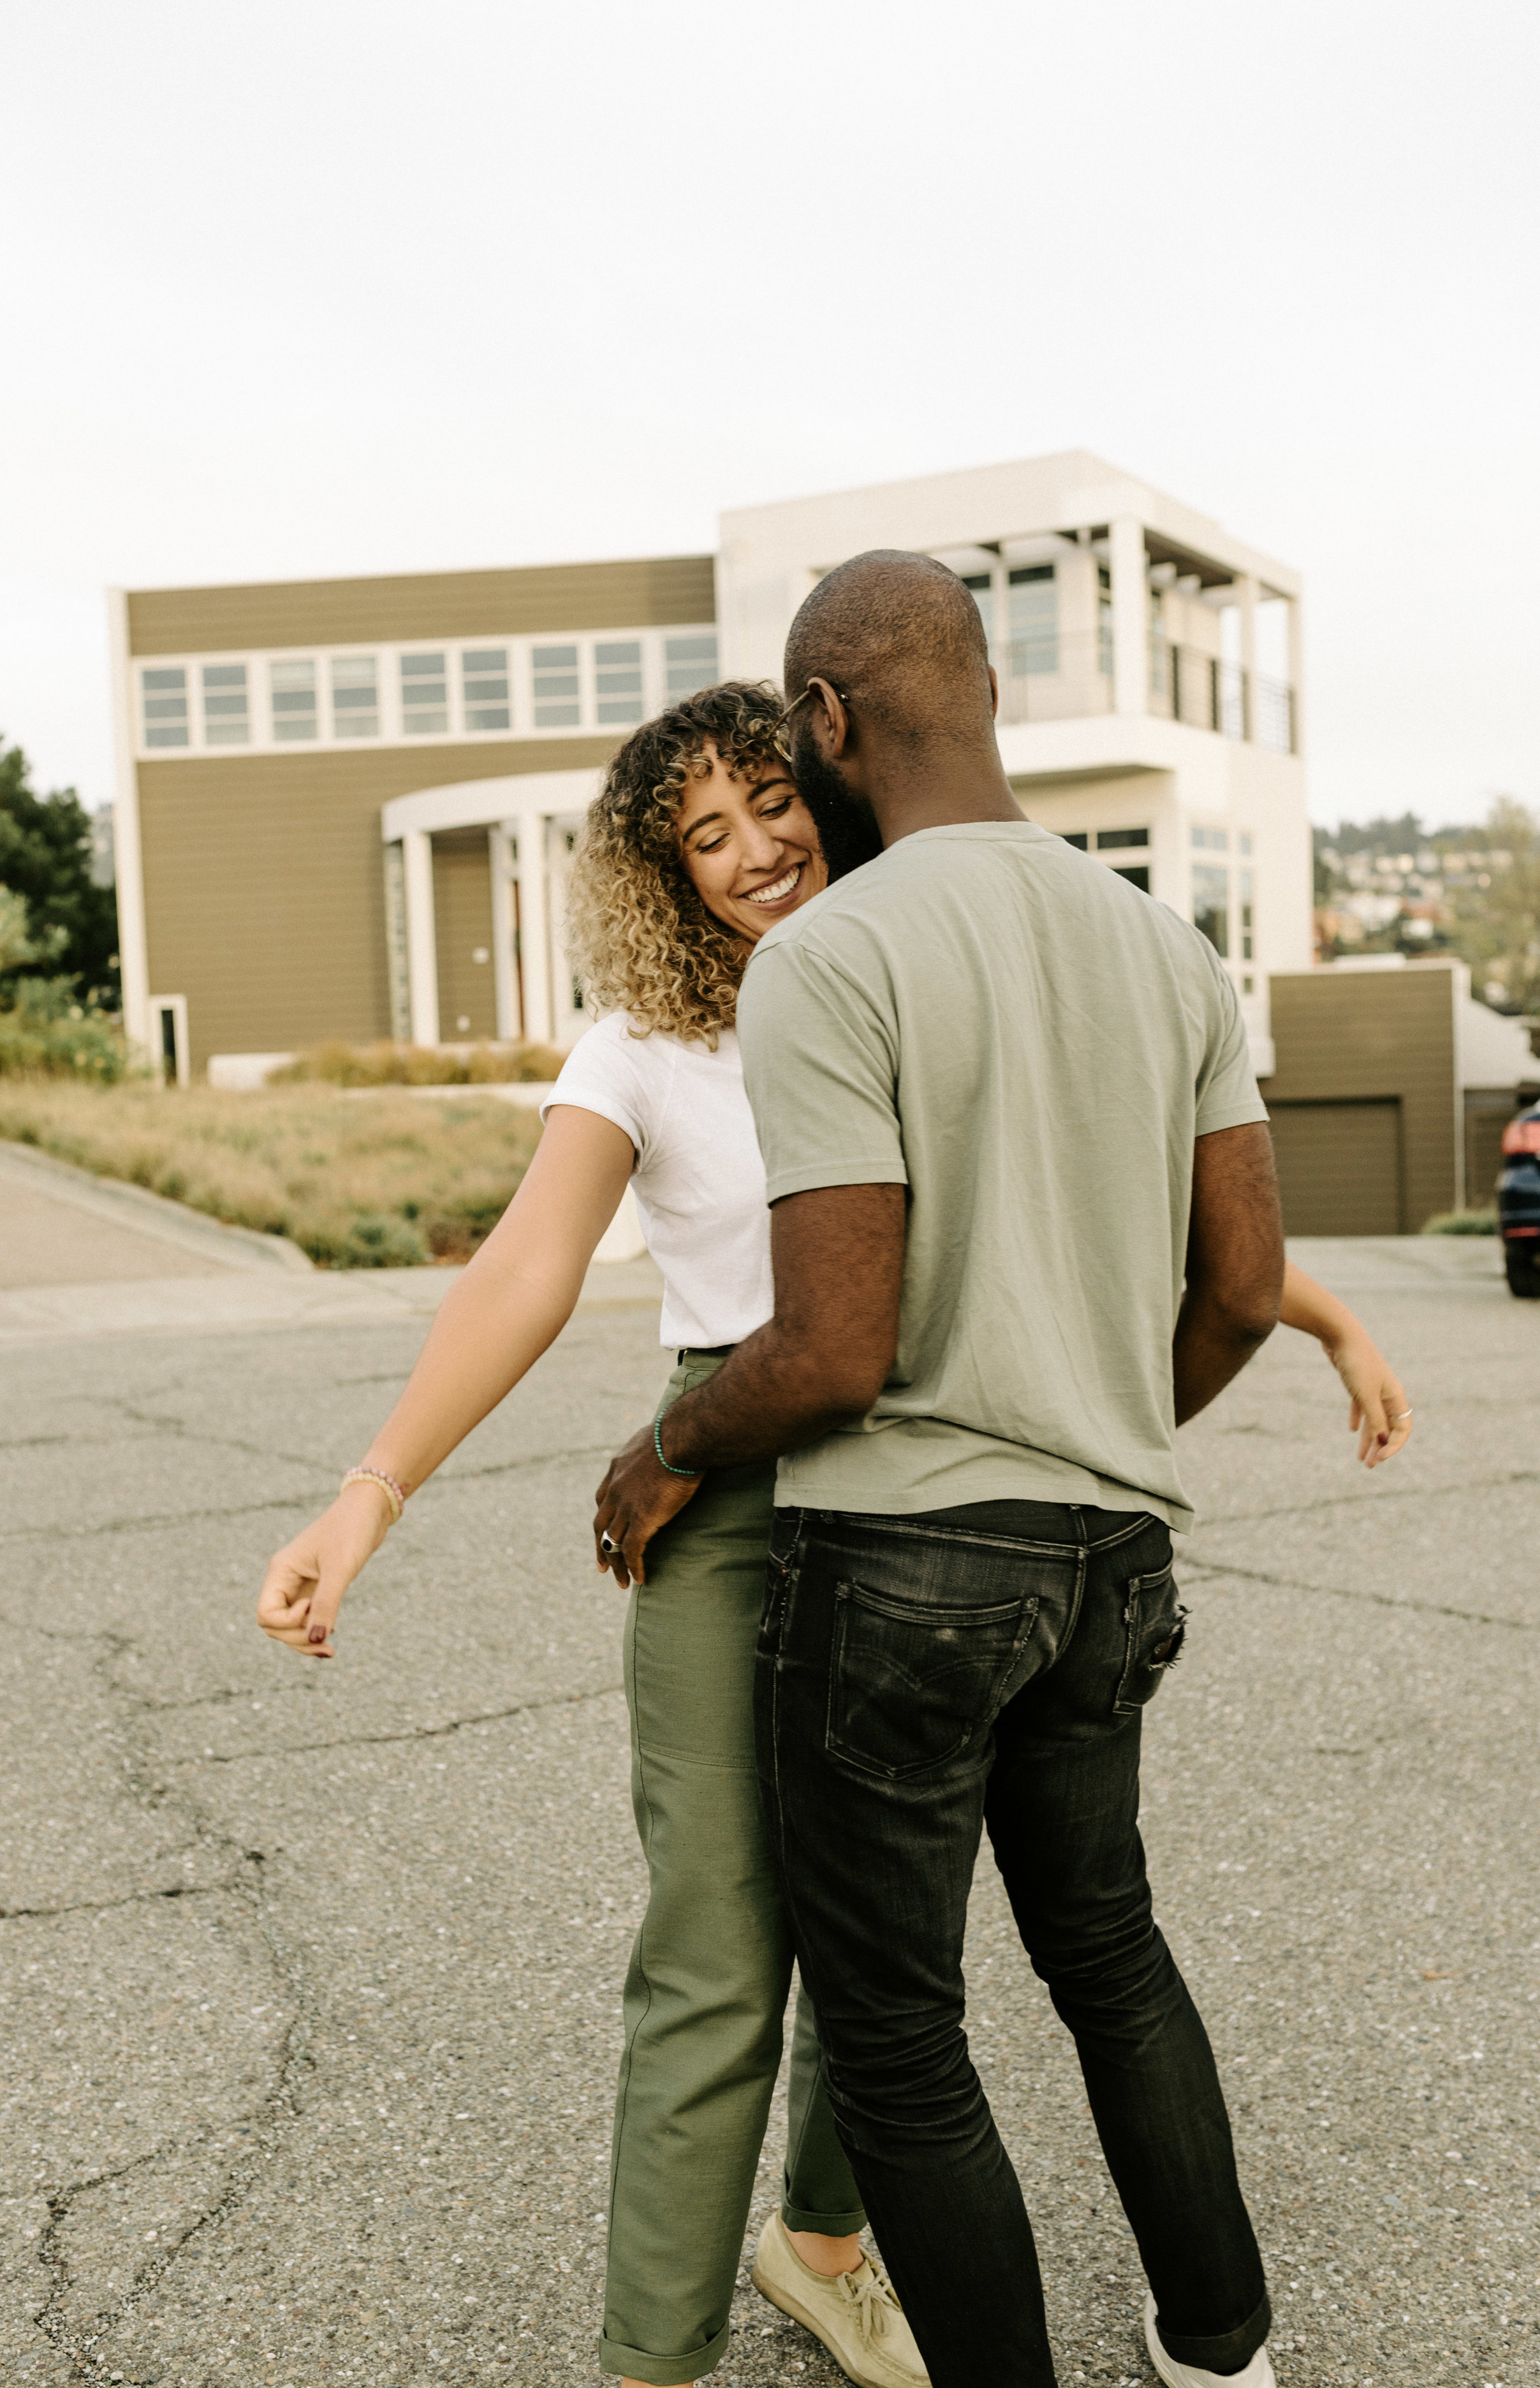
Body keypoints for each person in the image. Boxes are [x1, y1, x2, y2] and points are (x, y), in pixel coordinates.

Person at [257, 674, 1410, 2388]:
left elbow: (1096, 1204)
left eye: (765, 802)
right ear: (663, 879)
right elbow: (522, 1268)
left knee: (891, 1943)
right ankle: (651, 2355)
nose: (747, 851)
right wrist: (370, 1493)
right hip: (728, 1491)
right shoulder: (642, 1047)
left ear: (829, 779)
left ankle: (821, 2245)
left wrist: (1318, 1315)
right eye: (698, 837)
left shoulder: (913, 960)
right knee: (723, 1954)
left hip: (920, 1480)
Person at [590, 559, 1408, 2388]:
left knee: (893, 2036)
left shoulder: (830, 958)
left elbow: (828, 1348)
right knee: (1110, 1957)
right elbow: (1245, 1288)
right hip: (1109, 1554)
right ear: (981, 690)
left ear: (823, 720)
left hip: (892, 1571)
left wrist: (659, 1450)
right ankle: (1221, 2356)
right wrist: (1093, 1421)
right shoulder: (1159, 945)